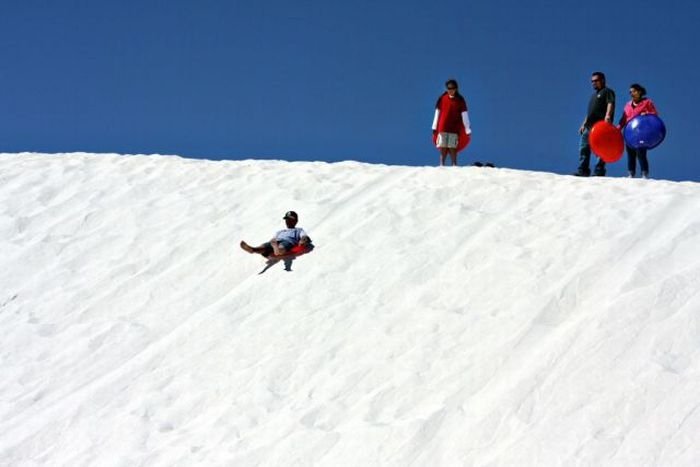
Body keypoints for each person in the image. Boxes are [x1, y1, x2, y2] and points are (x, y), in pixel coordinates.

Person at [575, 71, 616, 177]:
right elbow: (590, 112)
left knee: (600, 148)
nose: (593, 83)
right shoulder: (593, 95)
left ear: (602, 80)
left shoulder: (608, 91)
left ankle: (599, 171)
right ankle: (583, 170)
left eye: (596, 81)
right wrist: (583, 124)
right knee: (584, 147)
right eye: (592, 81)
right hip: (589, 126)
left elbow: (610, 103)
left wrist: (607, 116)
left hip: (601, 125)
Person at [618, 83, 659, 179]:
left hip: (641, 133)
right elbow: (623, 119)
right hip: (629, 133)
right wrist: (618, 128)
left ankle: (644, 174)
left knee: (641, 152)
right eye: (630, 92)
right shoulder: (627, 105)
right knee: (630, 153)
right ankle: (631, 174)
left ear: (639, 92)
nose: (631, 93)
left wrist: (647, 113)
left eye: (634, 91)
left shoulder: (647, 102)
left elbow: (655, 114)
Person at [432, 79, 471, 166]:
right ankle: (441, 165)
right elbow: (437, 112)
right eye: (449, 88)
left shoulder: (460, 100)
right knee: (443, 146)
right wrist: (434, 126)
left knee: (452, 147)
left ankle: (454, 165)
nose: (451, 90)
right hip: (443, 126)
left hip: (454, 128)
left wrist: (467, 129)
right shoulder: (442, 98)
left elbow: (464, 115)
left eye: (452, 88)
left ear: (456, 88)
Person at [240, 211, 312, 257]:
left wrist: (303, 240)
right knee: (265, 246)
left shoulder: (299, 230)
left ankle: (278, 250)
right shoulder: (280, 231)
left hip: (289, 241)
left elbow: (304, 236)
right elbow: (274, 239)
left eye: (290, 220)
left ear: (295, 221)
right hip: (276, 241)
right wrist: (272, 242)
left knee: (282, 246)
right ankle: (253, 249)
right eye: (286, 220)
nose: (287, 221)